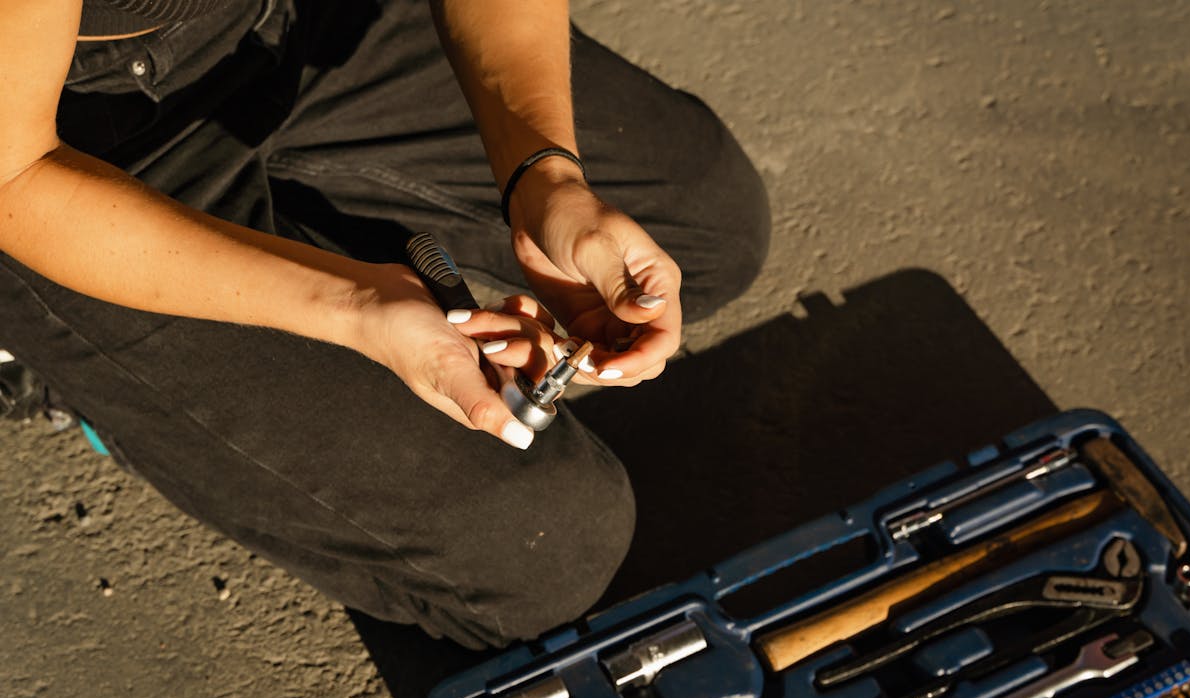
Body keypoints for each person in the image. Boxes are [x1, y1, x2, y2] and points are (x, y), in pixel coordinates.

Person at [0, 0, 770, 649]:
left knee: (712, 229)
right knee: (552, 548)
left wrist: (545, 177)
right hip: (62, 148)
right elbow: (16, 174)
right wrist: (354, 302)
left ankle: (301, 222)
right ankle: (78, 366)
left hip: (295, 24)